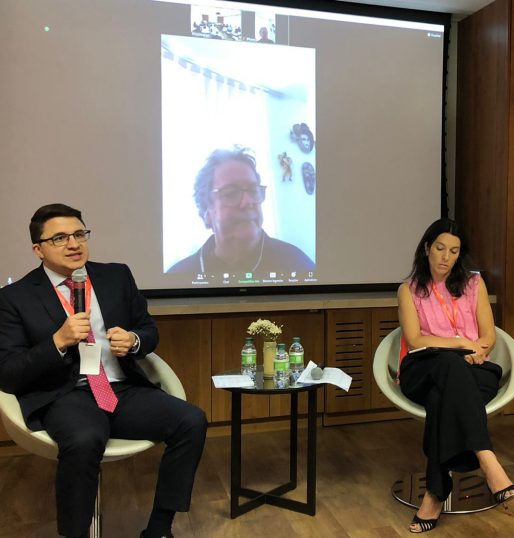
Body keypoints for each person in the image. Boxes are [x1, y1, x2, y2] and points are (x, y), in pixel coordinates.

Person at [0, 204, 208, 538]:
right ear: (38, 249)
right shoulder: (14, 297)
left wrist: (134, 340)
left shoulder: (116, 276)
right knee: (85, 439)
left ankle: (159, 528)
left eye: (79, 234)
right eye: (59, 238)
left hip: (120, 389)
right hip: (65, 394)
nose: (73, 244)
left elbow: (148, 329)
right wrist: (57, 342)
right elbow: (8, 371)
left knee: (191, 420)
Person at [397, 218, 514, 533]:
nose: (445, 257)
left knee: (442, 397)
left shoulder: (474, 284)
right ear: (427, 248)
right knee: (449, 364)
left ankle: (435, 494)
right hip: (424, 368)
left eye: (453, 251)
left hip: (474, 369)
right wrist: (461, 343)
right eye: (440, 248)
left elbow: (489, 335)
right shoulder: (409, 290)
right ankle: (487, 458)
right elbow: (416, 340)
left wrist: (478, 350)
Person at [167, 146, 315, 275]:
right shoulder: (178, 276)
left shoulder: (298, 263)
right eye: (231, 193)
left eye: (253, 190)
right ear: (207, 213)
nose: (248, 202)